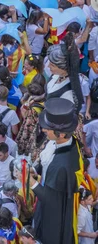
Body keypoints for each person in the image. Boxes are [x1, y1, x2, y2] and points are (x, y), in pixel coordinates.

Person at [29, 98, 84, 244]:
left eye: (47, 127)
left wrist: (30, 181)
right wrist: (34, 169)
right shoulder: (62, 142)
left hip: (54, 214)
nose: (44, 129)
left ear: (60, 134)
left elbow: (49, 198)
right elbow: (45, 161)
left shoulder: (63, 165)